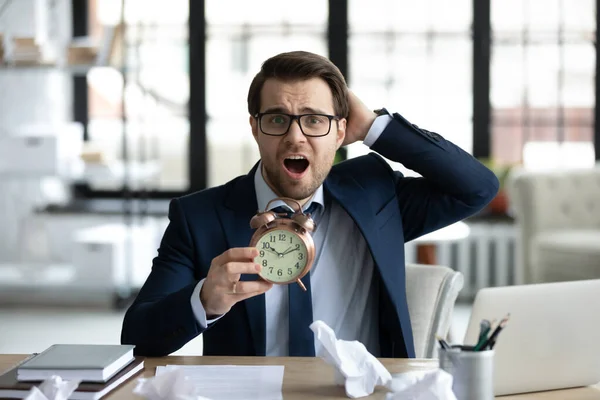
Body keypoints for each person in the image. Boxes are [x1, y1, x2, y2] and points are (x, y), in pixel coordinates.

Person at [121, 51, 499, 358]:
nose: (295, 137)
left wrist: (373, 127)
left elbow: (477, 188)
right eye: (277, 119)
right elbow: (137, 336)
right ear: (255, 128)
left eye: (314, 120)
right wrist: (203, 300)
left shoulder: (376, 194)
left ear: (339, 131)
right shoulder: (198, 217)